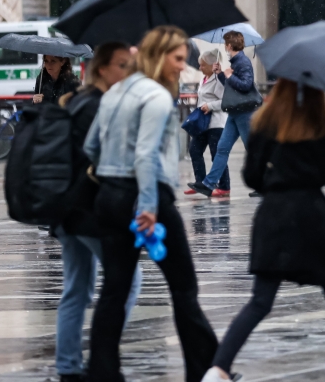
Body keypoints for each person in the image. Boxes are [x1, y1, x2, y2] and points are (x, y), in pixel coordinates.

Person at [200, 79, 325, 382]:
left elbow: (251, 176)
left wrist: (277, 183)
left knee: (260, 301)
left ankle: (218, 369)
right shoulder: (317, 126)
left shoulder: (265, 123)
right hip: (313, 219)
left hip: (273, 216)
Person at [85, 26, 218, 381]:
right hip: (148, 196)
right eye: (177, 59)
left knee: (114, 289)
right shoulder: (157, 97)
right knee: (184, 288)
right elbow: (145, 155)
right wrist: (146, 206)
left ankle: (102, 372)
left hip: (109, 195)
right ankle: (206, 368)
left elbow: (90, 148)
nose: (182, 67)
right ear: (158, 57)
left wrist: (111, 176)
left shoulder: (115, 92)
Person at [53, 42, 143, 382]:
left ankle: (68, 367)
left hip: (66, 210)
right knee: (129, 280)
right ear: (102, 68)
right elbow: (107, 160)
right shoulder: (98, 106)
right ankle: (101, 358)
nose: (126, 72)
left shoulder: (77, 102)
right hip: (90, 210)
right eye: (121, 65)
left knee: (76, 288)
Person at [192, 31, 260, 197]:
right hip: (235, 112)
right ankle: (209, 184)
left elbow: (246, 85)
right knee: (222, 148)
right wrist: (220, 74)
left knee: (251, 148)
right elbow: (232, 87)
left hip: (244, 112)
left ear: (229, 45)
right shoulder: (236, 62)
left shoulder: (242, 61)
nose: (224, 47)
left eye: (225, 44)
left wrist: (229, 75)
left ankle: (264, 184)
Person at [185, 50, 229, 196]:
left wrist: (210, 106)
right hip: (202, 123)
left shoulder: (218, 80)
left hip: (216, 123)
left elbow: (225, 101)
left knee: (216, 154)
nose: (200, 68)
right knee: (194, 150)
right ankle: (201, 182)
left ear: (212, 65)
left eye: (202, 65)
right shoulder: (203, 79)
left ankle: (224, 186)